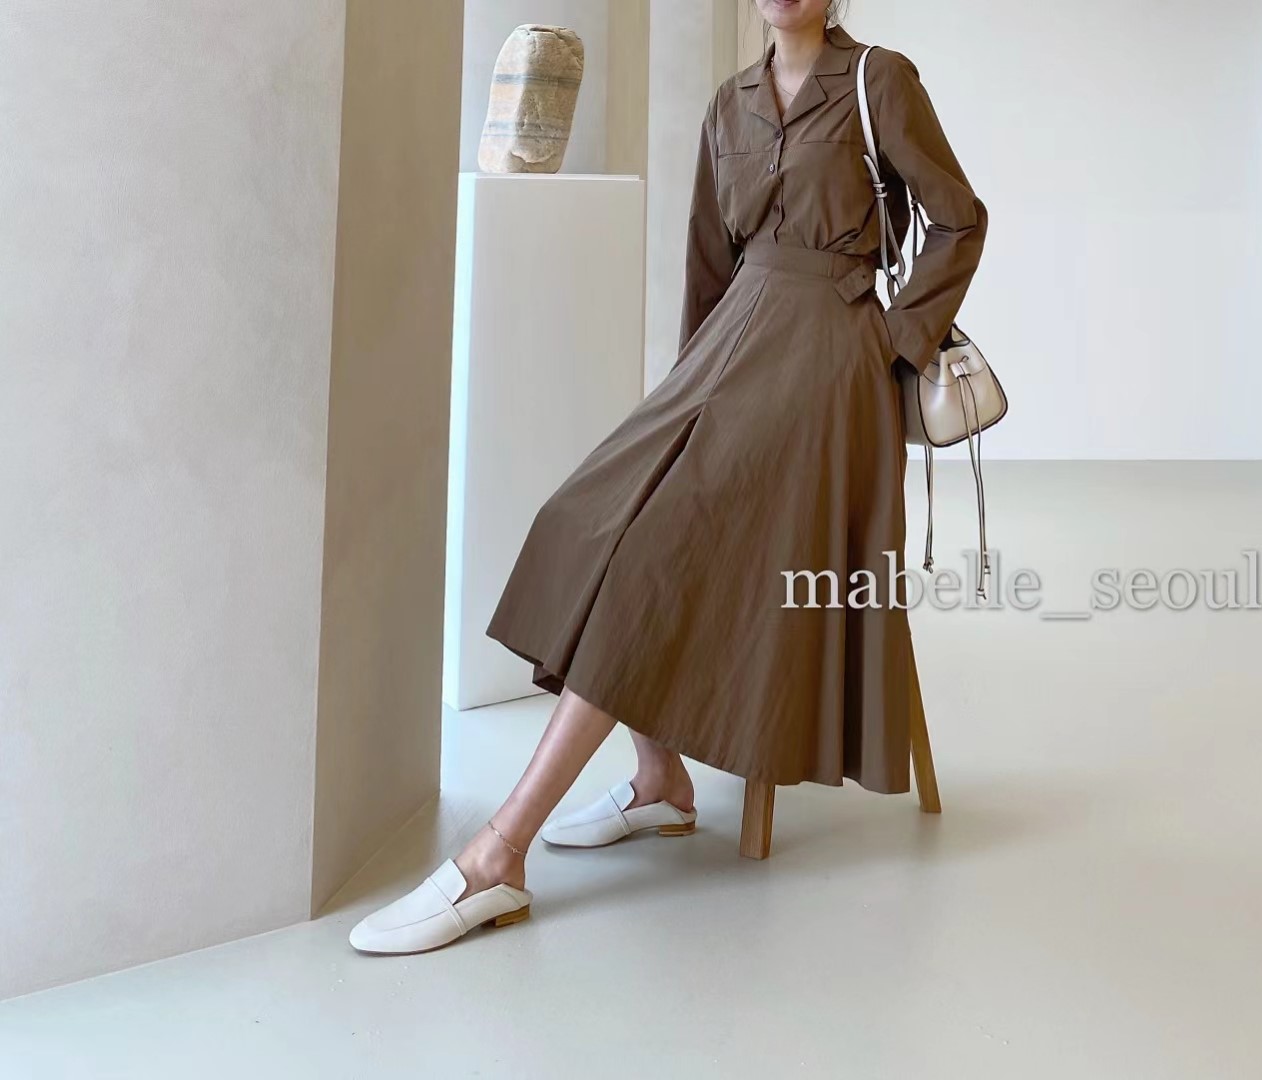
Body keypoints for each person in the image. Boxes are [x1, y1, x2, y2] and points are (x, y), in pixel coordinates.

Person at [349, 0, 987, 955]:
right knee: (581, 518)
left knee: (654, 553)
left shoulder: (877, 80)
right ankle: (660, 779)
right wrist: (688, 403)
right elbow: (707, 260)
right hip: (731, 353)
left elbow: (958, 219)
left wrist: (892, 343)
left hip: (830, 370)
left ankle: (498, 854)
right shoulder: (729, 103)